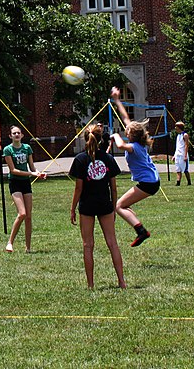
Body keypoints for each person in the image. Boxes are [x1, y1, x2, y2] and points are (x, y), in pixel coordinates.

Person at [69, 124, 125, 289]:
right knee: (112, 243)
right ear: (102, 140)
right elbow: (113, 188)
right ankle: (122, 282)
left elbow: (78, 188)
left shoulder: (80, 159)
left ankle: (91, 285)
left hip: (87, 205)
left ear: (85, 139)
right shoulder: (108, 159)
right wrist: (114, 207)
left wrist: (72, 209)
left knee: (88, 245)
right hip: (104, 204)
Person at [109, 87, 159, 247]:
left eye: (127, 130)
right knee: (124, 205)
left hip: (148, 183)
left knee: (118, 206)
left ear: (132, 135)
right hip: (151, 181)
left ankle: (141, 231)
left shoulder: (134, 147)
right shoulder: (138, 143)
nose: (125, 130)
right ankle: (139, 228)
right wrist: (117, 100)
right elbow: (125, 117)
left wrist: (115, 135)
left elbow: (121, 145)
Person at [2, 125, 47, 253]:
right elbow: (13, 170)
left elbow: (32, 167)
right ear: (10, 136)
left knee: (28, 216)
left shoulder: (27, 148)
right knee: (22, 213)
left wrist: (39, 173)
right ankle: (10, 243)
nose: (16, 135)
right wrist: (31, 174)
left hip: (26, 183)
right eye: (14, 133)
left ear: (22, 135)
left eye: (18, 133)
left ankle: (28, 248)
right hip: (15, 182)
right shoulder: (8, 150)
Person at [173, 121, 191, 186]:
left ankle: (189, 181)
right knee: (178, 169)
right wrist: (175, 155)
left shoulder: (185, 135)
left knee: (185, 170)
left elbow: (186, 145)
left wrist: (185, 156)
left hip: (183, 154)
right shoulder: (178, 136)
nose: (175, 128)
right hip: (178, 154)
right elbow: (177, 146)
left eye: (176, 126)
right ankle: (178, 182)